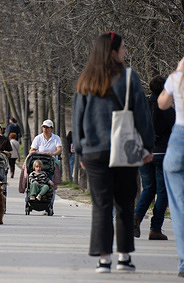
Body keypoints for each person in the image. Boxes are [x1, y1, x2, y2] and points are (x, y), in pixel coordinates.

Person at [72, 32, 154, 273]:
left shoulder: (85, 81)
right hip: (124, 149)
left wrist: (80, 151)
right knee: (125, 204)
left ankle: (103, 259)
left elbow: (77, 119)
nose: (125, 51)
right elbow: (142, 115)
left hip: (94, 152)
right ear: (112, 51)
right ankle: (124, 257)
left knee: (101, 205)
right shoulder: (129, 78)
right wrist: (147, 147)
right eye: (123, 47)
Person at [134, 76, 174, 241]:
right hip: (162, 153)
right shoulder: (170, 111)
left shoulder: (141, 108)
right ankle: (155, 228)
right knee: (162, 191)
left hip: (143, 152)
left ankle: (136, 217)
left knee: (148, 188)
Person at [158, 56, 184, 278]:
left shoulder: (177, 78)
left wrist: (178, 71)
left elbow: (162, 103)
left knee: (178, 204)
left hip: (179, 138)